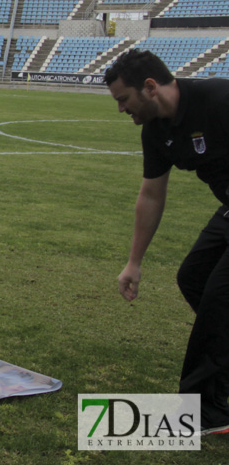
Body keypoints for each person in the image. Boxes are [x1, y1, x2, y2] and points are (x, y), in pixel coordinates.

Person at [105, 49, 229, 436]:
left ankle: (208, 413)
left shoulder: (220, 101)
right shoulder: (156, 130)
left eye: (123, 99)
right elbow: (151, 195)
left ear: (150, 87)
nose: (121, 109)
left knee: (219, 300)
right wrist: (133, 262)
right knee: (193, 278)